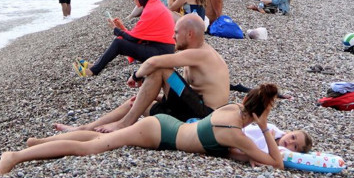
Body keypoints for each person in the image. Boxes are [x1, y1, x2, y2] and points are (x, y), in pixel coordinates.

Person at [0, 83, 285, 175]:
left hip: (164, 128)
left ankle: (41, 143)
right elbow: (277, 163)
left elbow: (227, 150)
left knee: (98, 137)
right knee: (89, 148)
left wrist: (246, 151)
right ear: (261, 113)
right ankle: (15, 156)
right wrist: (265, 130)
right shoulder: (236, 131)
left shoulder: (232, 108)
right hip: (159, 134)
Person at [59, 14, 230, 134]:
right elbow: (186, 94)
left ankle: (124, 124)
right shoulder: (196, 52)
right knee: (137, 102)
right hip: (194, 108)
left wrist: (136, 76)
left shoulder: (201, 54)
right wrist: (154, 96)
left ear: (190, 34)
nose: (172, 36)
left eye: (176, 32)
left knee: (162, 69)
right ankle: (85, 128)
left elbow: (153, 62)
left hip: (205, 116)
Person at [77, 0, 175, 77]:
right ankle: (95, 66)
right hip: (162, 49)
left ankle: (92, 71)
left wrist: (116, 29)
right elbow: (137, 36)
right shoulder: (154, 4)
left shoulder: (151, 10)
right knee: (120, 39)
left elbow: (134, 38)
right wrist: (122, 28)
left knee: (118, 43)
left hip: (161, 53)